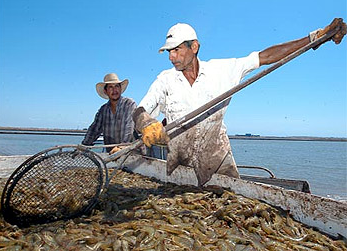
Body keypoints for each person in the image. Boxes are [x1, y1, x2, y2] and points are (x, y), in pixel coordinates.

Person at [132, 18, 346, 187]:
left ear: (194, 47)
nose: (172, 56)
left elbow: (265, 57)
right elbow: (141, 109)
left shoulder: (222, 70)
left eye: (177, 49)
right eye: (169, 51)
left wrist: (314, 38)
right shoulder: (165, 80)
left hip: (218, 162)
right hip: (180, 167)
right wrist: (146, 123)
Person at [82, 73, 137, 154]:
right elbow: (94, 130)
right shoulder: (103, 110)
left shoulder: (129, 104)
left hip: (132, 154)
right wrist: (84, 146)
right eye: (111, 87)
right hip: (112, 155)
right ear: (105, 91)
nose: (114, 90)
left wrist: (121, 147)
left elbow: (129, 127)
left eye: (117, 86)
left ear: (120, 89)